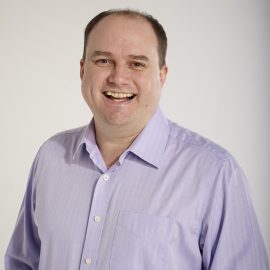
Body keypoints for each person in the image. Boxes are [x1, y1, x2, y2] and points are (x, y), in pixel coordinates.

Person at [5, 9, 269, 270]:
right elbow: (23, 263)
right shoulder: (51, 156)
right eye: (103, 61)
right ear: (83, 70)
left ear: (161, 76)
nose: (119, 78)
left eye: (137, 64)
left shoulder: (214, 172)